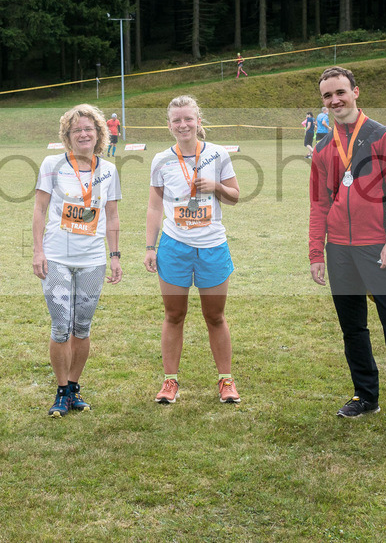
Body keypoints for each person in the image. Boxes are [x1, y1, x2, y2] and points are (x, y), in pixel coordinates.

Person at [309, 66, 386, 436]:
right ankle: (366, 395)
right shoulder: (324, 146)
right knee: (353, 328)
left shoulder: (383, 136)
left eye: (340, 92)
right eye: (328, 96)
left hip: (379, 248)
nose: (335, 100)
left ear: (355, 92)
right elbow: (318, 204)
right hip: (339, 252)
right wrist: (317, 253)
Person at [144, 95, 241, 405]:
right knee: (174, 315)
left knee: (215, 316)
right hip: (174, 247)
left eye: (188, 118)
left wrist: (216, 187)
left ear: (199, 121)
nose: (183, 124)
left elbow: (235, 196)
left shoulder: (218, 154)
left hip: (212, 246)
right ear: (169, 125)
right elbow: (154, 206)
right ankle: (170, 381)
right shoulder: (161, 159)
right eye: (176, 120)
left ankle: (226, 380)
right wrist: (150, 246)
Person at [32, 104, 122, 417]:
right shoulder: (52, 164)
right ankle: (60, 390)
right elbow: (39, 210)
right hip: (56, 256)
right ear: (68, 136)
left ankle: (73, 387)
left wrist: (115, 256)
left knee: (82, 328)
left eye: (88, 129)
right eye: (76, 130)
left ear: (99, 133)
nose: (83, 134)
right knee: (61, 327)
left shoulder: (108, 170)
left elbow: (111, 216)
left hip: (92, 260)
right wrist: (37, 251)